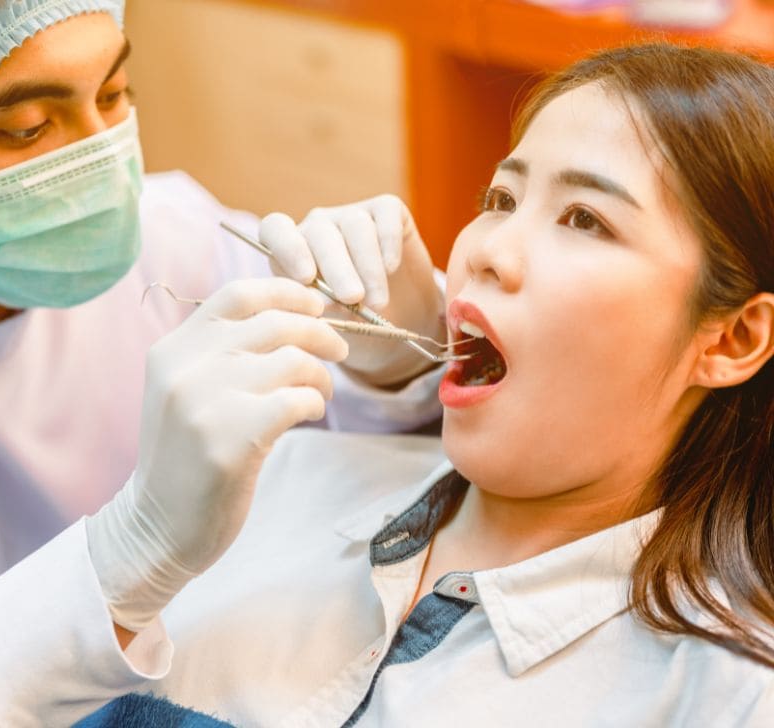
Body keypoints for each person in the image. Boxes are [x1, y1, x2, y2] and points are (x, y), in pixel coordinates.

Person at [0, 1, 449, 724]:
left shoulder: (174, 237)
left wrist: (394, 361)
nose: (105, 159)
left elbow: (386, 461)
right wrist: (122, 565)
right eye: (26, 128)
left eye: (115, 94)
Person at [69, 42, 773, 726]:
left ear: (734, 338)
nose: (484, 252)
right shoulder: (281, 479)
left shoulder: (727, 695)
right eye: (500, 197)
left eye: (584, 219)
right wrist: (125, 575)